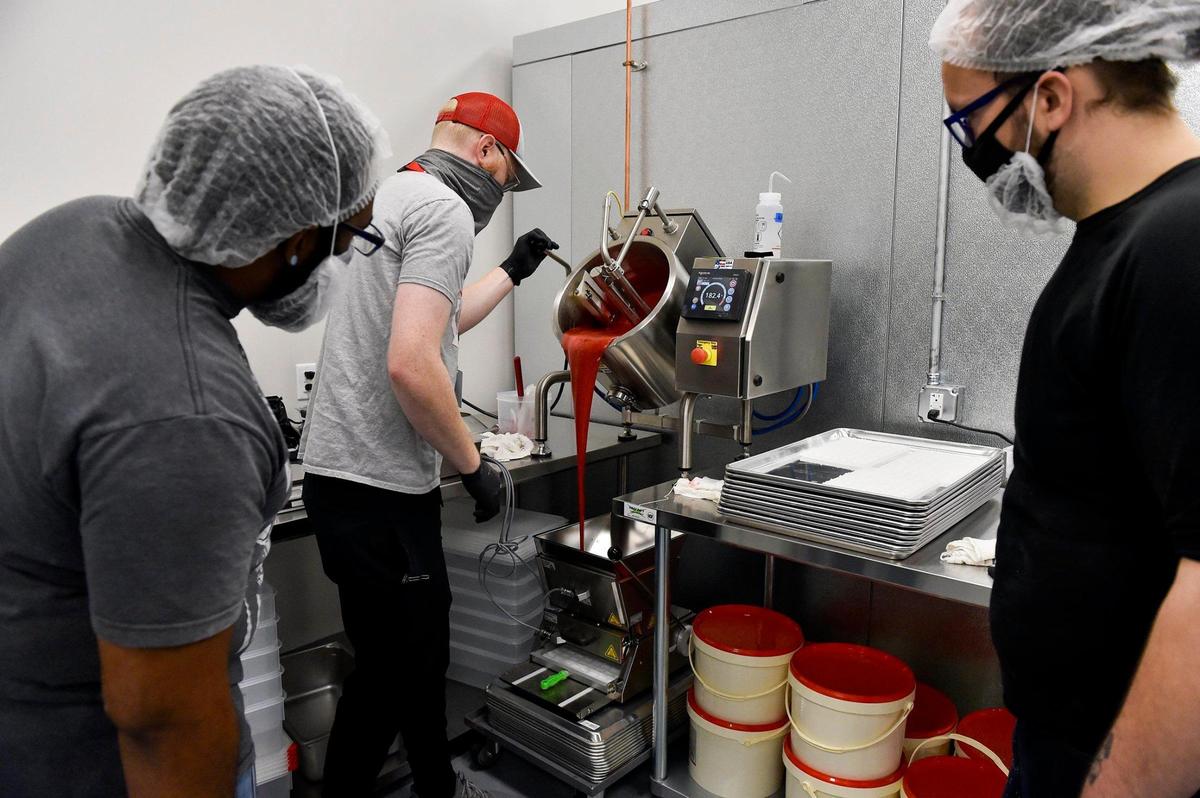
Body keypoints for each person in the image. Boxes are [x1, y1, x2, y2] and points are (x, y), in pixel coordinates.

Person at [0, 65, 390, 796]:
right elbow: (163, 718)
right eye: (346, 241)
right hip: (87, 765)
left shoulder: (70, 230)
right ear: (298, 237)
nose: (341, 263)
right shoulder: (190, 410)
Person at [931, 2, 1200, 796]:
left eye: (971, 120)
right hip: (1064, 736)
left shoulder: (1178, 247)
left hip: (1115, 758)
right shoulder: (1119, 237)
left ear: (1050, 98)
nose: (975, 150)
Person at [299, 91, 557, 798]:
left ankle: (437, 783)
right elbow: (412, 364)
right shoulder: (444, 209)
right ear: (487, 153)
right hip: (380, 488)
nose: (501, 192)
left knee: (410, 657)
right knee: (392, 674)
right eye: (507, 178)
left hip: (340, 482)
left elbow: (430, 324)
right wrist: (474, 467)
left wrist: (511, 271)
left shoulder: (388, 195)